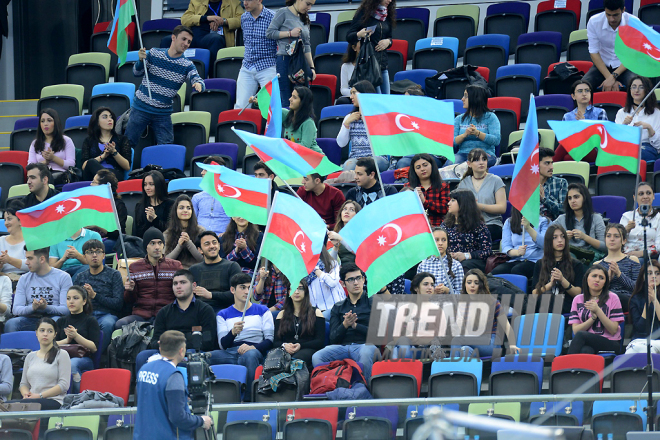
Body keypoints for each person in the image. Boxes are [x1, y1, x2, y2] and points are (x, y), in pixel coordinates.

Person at [124, 25, 205, 149]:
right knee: (127, 145)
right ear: (173, 37)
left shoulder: (187, 65)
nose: (186, 43)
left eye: (189, 42)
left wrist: (199, 84)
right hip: (141, 107)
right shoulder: (154, 53)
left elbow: (196, 78)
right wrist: (140, 61)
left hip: (162, 113)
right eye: (183, 39)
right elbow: (136, 73)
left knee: (166, 148)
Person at [135, 269, 218, 373]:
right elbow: (155, 342)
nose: (178, 286)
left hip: (192, 352)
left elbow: (208, 343)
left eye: (183, 282)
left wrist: (173, 342)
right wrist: (187, 338)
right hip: (167, 352)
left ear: (193, 286)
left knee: (192, 355)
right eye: (175, 283)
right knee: (142, 356)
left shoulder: (205, 310)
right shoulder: (164, 312)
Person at [134, 330, 213, 439]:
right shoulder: (173, 376)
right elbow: (178, 417)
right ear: (181, 351)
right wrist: (201, 421)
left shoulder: (144, 369)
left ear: (160, 348)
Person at [311, 263, 378, 380]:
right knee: (317, 356)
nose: (356, 282)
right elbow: (333, 338)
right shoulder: (338, 307)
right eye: (351, 280)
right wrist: (345, 325)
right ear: (343, 284)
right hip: (342, 347)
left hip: (365, 345)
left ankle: (365, 391)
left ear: (363, 279)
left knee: (366, 352)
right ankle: (327, 387)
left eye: (358, 278)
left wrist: (356, 326)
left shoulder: (373, 303)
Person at [215, 272, 274, 401]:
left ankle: (249, 400)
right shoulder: (223, 314)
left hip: (255, 350)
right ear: (232, 290)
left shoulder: (263, 311)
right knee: (203, 358)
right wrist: (232, 333)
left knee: (250, 355)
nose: (247, 291)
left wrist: (252, 347)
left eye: (249, 287)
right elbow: (222, 345)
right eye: (242, 287)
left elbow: (269, 340)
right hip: (231, 352)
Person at [328, 199, 405, 295]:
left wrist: (341, 239)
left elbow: (361, 252)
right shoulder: (336, 234)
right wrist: (335, 246)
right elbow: (331, 263)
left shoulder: (363, 234)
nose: (347, 212)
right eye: (344, 209)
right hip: (344, 272)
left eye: (352, 210)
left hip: (363, 270)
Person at [118, 227, 183, 328]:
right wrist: (130, 290)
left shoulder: (176, 266)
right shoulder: (135, 267)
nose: (157, 247)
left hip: (166, 314)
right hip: (141, 314)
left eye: (160, 243)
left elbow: (181, 295)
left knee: (160, 325)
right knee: (120, 324)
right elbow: (129, 300)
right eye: (152, 243)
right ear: (146, 246)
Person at [451, 269, 519, 358]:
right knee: (465, 350)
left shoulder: (492, 302)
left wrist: (512, 345)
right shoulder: (461, 305)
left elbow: (507, 326)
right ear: (464, 285)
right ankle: (467, 370)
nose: (472, 285)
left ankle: (452, 370)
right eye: (469, 282)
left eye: (476, 282)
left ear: (481, 285)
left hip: (491, 343)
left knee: (456, 340)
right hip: (472, 342)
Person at [73, 240, 123, 354]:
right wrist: (84, 299)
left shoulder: (114, 274)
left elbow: (118, 304)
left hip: (106, 314)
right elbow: (74, 302)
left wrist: (95, 295)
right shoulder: (80, 276)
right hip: (86, 314)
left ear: (104, 255)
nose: (94, 255)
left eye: (98, 252)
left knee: (107, 324)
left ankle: (96, 357)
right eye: (90, 252)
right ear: (85, 256)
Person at [8, 318, 70, 409]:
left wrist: (40, 395)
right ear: (36, 333)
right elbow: (23, 384)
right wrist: (26, 395)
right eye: (42, 330)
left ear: (54, 335)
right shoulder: (30, 356)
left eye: (50, 331)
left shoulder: (62, 354)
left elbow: (63, 385)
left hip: (54, 400)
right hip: (31, 400)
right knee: (5, 406)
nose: (45, 334)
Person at [6, 247, 71, 333]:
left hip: (53, 317)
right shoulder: (24, 279)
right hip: (30, 318)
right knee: (11, 324)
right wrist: (33, 308)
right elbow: (16, 309)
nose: (26, 262)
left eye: (30, 258)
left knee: (57, 322)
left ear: (42, 259)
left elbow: (66, 309)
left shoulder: (63, 277)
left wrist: (46, 307)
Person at [265, 0, 316, 106]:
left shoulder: (305, 18)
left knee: (303, 98)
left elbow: (307, 45)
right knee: (287, 97)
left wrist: (312, 67)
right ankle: (288, 121)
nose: (309, 8)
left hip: (300, 61)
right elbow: (270, 33)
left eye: (311, 5)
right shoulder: (283, 12)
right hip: (285, 59)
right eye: (308, 4)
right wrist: (289, 33)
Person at [568, 265, 625, 354]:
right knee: (585, 350)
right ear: (587, 278)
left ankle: (567, 365)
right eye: (594, 276)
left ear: (605, 282)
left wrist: (598, 311)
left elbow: (613, 330)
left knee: (581, 335)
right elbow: (575, 330)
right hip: (588, 342)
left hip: (610, 342)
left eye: (601, 278)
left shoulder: (613, 298)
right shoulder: (578, 299)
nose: (597, 280)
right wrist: (593, 318)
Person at [532, 224, 585, 314]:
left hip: (567, 304)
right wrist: (550, 284)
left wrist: (562, 280)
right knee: (546, 296)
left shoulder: (576, 264)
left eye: (562, 237)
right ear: (549, 241)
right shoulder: (540, 264)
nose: (560, 240)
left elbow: (578, 294)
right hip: (545, 304)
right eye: (555, 237)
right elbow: (534, 294)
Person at [337, 80, 389, 172]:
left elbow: (387, 142)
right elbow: (341, 143)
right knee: (348, 166)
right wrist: (346, 124)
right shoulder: (349, 117)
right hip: (356, 158)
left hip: (377, 157)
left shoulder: (380, 117)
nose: (351, 97)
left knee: (370, 164)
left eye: (354, 93)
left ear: (365, 94)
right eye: (351, 93)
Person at [234, 0, 277, 110]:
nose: (245, 3)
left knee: (270, 106)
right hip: (247, 66)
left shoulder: (272, 17)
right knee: (240, 106)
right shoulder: (244, 18)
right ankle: (240, 127)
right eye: (244, 0)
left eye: (249, 0)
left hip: (267, 65)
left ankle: (270, 127)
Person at [56, 286, 100, 394]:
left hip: (83, 358)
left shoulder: (90, 320)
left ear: (84, 301)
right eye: (68, 298)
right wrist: (67, 340)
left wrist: (76, 336)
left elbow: (94, 348)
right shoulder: (61, 321)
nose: (71, 301)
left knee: (72, 364)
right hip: (62, 356)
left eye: (75, 298)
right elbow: (51, 344)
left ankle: (79, 397)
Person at [274, 279, 325, 370]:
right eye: (293, 288)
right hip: (286, 350)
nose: (296, 292)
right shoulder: (281, 314)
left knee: (295, 361)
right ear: (289, 292)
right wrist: (285, 345)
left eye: (300, 288)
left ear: (306, 292)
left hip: (308, 349)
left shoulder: (316, 313)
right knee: (276, 362)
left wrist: (300, 345)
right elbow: (276, 341)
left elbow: (320, 341)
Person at [346, 0, 395, 94]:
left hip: (383, 64)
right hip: (369, 66)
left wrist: (388, 42)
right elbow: (349, 36)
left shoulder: (387, 14)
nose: (390, 0)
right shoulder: (363, 13)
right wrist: (359, 34)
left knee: (387, 99)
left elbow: (390, 37)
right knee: (377, 99)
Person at [457, 148, 507, 241]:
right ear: (469, 164)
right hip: (469, 224)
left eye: (484, 159)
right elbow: (459, 208)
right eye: (476, 160)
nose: (481, 163)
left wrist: (478, 206)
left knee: (478, 234)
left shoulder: (496, 180)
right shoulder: (463, 183)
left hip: (492, 224)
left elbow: (502, 208)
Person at [584, 0, 634, 92]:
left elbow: (632, 55)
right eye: (608, 15)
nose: (612, 19)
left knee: (637, 86)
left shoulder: (633, 23)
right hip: (603, 64)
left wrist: (614, 76)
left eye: (615, 15)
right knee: (583, 86)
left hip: (626, 65)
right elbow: (593, 52)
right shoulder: (594, 22)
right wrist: (609, 78)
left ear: (623, 10)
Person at [555, 80, 608, 163]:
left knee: (568, 154)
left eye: (587, 90)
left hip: (594, 151)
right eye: (580, 91)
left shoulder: (600, 112)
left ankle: (549, 166)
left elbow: (603, 139)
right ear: (573, 96)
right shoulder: (567, 116)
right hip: (574, 150)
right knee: (567, 158)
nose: (584, 94)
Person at [190, 231, 243, 313]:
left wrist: (211, 295)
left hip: (226, 313)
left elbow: (238, 293)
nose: (212, 246)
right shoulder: (193, 270)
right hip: (200, 313)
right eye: (207, 244)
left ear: (219, 246)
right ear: (200, 250)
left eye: (214, 243)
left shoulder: (232, 266)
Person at [441, 189, 493, 272]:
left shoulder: (478, 226)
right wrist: (447, 254)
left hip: (471, 263)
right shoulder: (445, 224)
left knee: (462, 266)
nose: (448, 203)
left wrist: (466, 256)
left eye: (453, 200)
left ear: (463, 203)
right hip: (449, 260)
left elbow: (487, 251)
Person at [179, 0, 244, 65]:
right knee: (170, 39)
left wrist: (223, 21)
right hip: (196, 36)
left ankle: (213, 73)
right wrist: (206, 18)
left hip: (217, 37)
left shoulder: (233, 2)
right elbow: (185, 19)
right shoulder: (196, 1)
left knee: (215, 39)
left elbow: (242, 19)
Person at [593, 223, 640, 312]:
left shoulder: (633, 260)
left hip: (627, 299)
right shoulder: (597, 264)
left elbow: (637, 288)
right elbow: (594, 289)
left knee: (611, 296)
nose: (612, 239)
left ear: (624, 241)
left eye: (616, 236)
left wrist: (619, 274)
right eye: (608, 236)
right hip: (603, 299)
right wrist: (608, 278)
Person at [492, 208, 549, 278]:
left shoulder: (543, 221)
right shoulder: (509, 222)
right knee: (496, 272)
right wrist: (517, 252)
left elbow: (545, 244)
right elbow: (506, 247)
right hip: (515, 259)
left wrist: (528, 228)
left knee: (517, 270)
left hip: (535, 260)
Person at [452, 85, 500, 167]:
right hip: (463, 154)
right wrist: (464, 135)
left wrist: (477, 133)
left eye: (466, 96)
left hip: (485, 153)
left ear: (475, 98)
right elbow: (452, 142)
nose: (462, 99)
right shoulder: (459, 119)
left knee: (472, 166)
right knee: (450, 166)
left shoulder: (490, 117)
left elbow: (496, 140)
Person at [554, 183, 606, 257]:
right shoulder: (561, 219)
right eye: (570, 198)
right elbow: (548, 240)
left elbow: (605, 246)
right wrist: (563, 237)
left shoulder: (596, 218)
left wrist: (585, 237)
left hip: (590, 257)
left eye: (576, 197)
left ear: (585, 198)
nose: (572, 201)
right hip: (568, 257)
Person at [616, 75, 660, 162]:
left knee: (637, 153)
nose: (636, 90)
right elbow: (616, 140)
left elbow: (659, 146)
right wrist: (624, 125)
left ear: (647, 90)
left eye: (641, 87)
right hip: (626, 147)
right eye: (634, 87)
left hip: (647, 148)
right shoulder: (621, 112)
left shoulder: (656, 113)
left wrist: (649, 128)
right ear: (630, 90)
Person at [81, 107, 131, 182]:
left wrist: (114, 152)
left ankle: (104, 179)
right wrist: (103, 156)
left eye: (111, 117)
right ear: (97, 122)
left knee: (108, 173)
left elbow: (127, 166)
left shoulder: (122, 139)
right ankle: (102, 179)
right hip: (93, 175)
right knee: (91, 162)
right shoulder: (89, 141)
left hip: (113, 174)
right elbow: (85, 166)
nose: (110, 119)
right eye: (105, 117)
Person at [402, 154, 449, 227]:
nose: (422, 169)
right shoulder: (408, 187)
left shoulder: (443, 186)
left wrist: (424, 202)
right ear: (414, 171)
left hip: (437, 227)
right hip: (415, 227)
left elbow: (445, 209)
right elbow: (404, 210)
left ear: (432, 166)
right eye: (418, 167)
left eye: (425, 165)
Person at [28, 109, 75, 179]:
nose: (45, 124)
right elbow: (30, 167)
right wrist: (45, 162)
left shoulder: (66, 140)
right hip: (41, 177)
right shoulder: (35, 143)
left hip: (61, 175)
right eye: (42, 121)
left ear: (56, 122)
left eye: (49, 120)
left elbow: (71, 165)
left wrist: (53, 158)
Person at [417, 227, 464, 294]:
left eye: (444, 240)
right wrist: (432, 292)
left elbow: (461, 295)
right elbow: (418, 293)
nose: (440, 243)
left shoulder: (456, 265)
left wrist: (448, 291)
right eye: (436, 240)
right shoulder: (423, 266)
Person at [90, 169, 127, 253]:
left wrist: (97, 226)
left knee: (93, 246)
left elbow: (118, 234)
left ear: (103, 186)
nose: (90, 184)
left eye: (93, 182)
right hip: (92, 238)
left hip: (111, 240)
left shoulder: (118, 205)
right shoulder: (91, 203)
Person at [192, 156, 231, 235]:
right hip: (200, 238)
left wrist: (227, 234)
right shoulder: (197, 197)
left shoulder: (230, 197)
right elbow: (192, 222)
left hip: (224, 239)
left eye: (205, 170)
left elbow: (236, 222)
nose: (202, 172)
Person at [164, 195, 205, 269]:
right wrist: (179, 245)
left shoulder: (201, 231)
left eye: (188, 208)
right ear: (175, 210)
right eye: (181, 208)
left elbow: (203, 260)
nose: (185, 210)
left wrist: (189, 243)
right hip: (175, 272)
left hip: (196, 270)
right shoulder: (167, 233)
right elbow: (165, 262)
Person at [626, 261, 660, 353]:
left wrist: (654, 300)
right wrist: (647, 304)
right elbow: (640, 328)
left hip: (658, 341)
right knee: (630, 352)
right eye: (649, 273)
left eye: (657, 273)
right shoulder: (635, 298)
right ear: (643, 277)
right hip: (640, 340)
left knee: (649, 351)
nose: (654, 276)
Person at [621, 182, 660, 257]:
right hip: (627, 256)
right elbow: (616, 241)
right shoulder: (626, 216)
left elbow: (659, 245)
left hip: (649, 257)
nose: (645, 196)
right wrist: (626, 229)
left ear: (653, 196)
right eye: (641, 194)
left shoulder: (658, 218)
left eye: (648, 193)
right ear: (634, 198)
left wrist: (642, 253)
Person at [305, 248, 345, 320]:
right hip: (315, 312)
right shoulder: (303, 269)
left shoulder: (331, 263)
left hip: (334, 308)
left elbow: (332, 283)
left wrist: (315, 269)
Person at [134, 170, 175, 238]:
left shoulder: (170, 204)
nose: (147, 188)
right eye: (145, 184)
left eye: (151, 184)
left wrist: (155, 219)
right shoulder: (140, 206)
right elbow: (138, 233)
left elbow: (170, 230)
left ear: (159, 185)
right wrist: (148, 221)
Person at [281, 86, 321, 152]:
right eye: (291, 96)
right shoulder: (286, 115)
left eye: (294, 97)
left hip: (312, 158)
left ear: (303, 102)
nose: (290, 99)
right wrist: (258, 102)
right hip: (294, 156)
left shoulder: (308, 123)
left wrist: (284, 146)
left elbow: (305, 146)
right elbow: (270, 109)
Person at [0, 200, 28, 280]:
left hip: (26, 279)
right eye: (5, 219)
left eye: (9, 219)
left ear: (21, 220)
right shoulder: (1, 241)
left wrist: (9, 260)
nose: (6, 223)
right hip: (4, 279)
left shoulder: (31, 241)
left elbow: (34, 265)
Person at [539, 147, 568, 221]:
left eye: (552, 163)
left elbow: (563, 211)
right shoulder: (526, 185)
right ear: (536, 165)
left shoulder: (561, 183)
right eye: (547, 163)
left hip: (554, 227)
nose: (552, 167)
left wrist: (544, 199)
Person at [339, 34, 360, 100]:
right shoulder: (345, 66)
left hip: (366, 97)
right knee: (342, 101)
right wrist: (354, 93)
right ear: (354, 47)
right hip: (351, 96)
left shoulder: (370, 65)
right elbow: (343, 89)